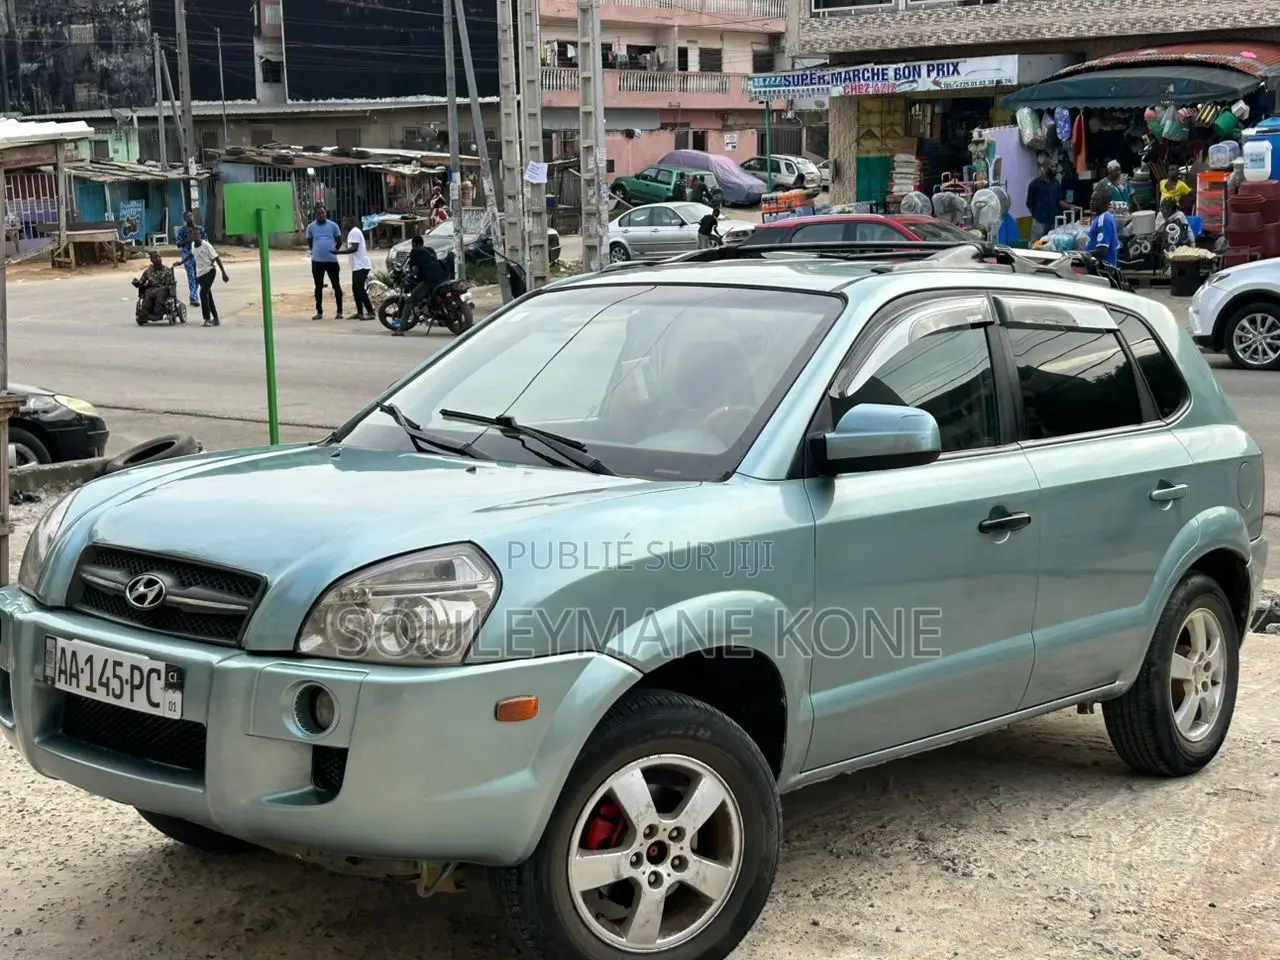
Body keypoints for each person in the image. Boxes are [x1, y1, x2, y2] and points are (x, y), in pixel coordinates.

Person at [395, 235, 447, 337]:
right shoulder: (430, 250)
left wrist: (412, 273)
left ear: (413, 243)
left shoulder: (415, 252)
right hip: (443, 277)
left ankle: (400, 329)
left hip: (430, 280)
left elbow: (414, 269)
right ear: (422, 243)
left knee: (410, 301)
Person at [178, 234, 229, 326]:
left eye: (197, 235)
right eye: (193, 235)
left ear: (199, 236)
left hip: (209, 272)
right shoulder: (193, 245)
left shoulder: (206, 245)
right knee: (208, 295)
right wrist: (181, 262)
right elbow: (191, 254)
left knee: (203, 294)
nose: (195, 237)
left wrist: (223, 273)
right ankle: (216, 318)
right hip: (200, 274)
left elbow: (217, 258)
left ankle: (207, 319)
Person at [306, 205, 344, 320]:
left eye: (323, 213)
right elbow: (310, 243)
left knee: (336, 286)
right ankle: (319, 312)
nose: (322, 215)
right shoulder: (310, 227)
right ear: (315, 216)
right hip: (317, 262)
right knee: (318, 287)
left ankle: (339, 311)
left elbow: (339, 242)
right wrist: (317, 252)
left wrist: (334, 251)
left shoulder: (333, 226)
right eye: (319, 214)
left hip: (331, 261)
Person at [1025, 157, 1075, 244]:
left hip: (1052, 221)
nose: (1054, 169)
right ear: (1045, 167)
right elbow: (1029, 204)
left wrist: (1070, 206)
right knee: (1035, 244)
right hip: (1039, 221)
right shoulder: (1035, 184)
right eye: (1052, 166)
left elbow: (1059, 201)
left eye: (1055, 166)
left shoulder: (1055, 183)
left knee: (1050, 245)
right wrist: (1035, 216)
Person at [341, 215, 374, 320]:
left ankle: (371, 312)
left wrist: (338, 252)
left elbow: (354, 249)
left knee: (359, 290)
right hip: (357, 266)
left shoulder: (354, 232)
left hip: (361, 265)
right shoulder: (352, 232)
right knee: (355, 289)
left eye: (345, 220)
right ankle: (360, 312)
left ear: (351, 221)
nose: (343, 223)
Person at [173, 210, 206, 306]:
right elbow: (178, 244)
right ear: (184, 219)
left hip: (199, 255)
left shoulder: (200, 229)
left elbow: (206, 241)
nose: (189, 218)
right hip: (187, 255)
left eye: (190, 215)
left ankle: (194, 295)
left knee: (198, 277)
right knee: (191, 276)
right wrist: (188, 240)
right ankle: (193, 297)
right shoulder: (182, 230)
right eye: (187, 216)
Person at [135, 251, 175, 321]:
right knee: (147, 292)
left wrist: (158, 290)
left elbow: (169, 285)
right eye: (155, 258)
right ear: (151, 260)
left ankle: (158, 314)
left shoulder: (167, 271)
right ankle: (144, 313)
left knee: (159, 293)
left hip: (164, 289)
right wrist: (136, 283)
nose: (158, 259)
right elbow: (141, 283)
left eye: (159, 257)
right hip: (151, 289)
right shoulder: (148, 271)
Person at [1086, 188, 1120, 267]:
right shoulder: (1099, 218)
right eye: (1091, 199)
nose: (1091, 202)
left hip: (1102, 269)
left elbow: (1102, 250)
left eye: (1095, 200)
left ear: (1105, 203)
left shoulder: (1104, 220)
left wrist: (1083, 255)